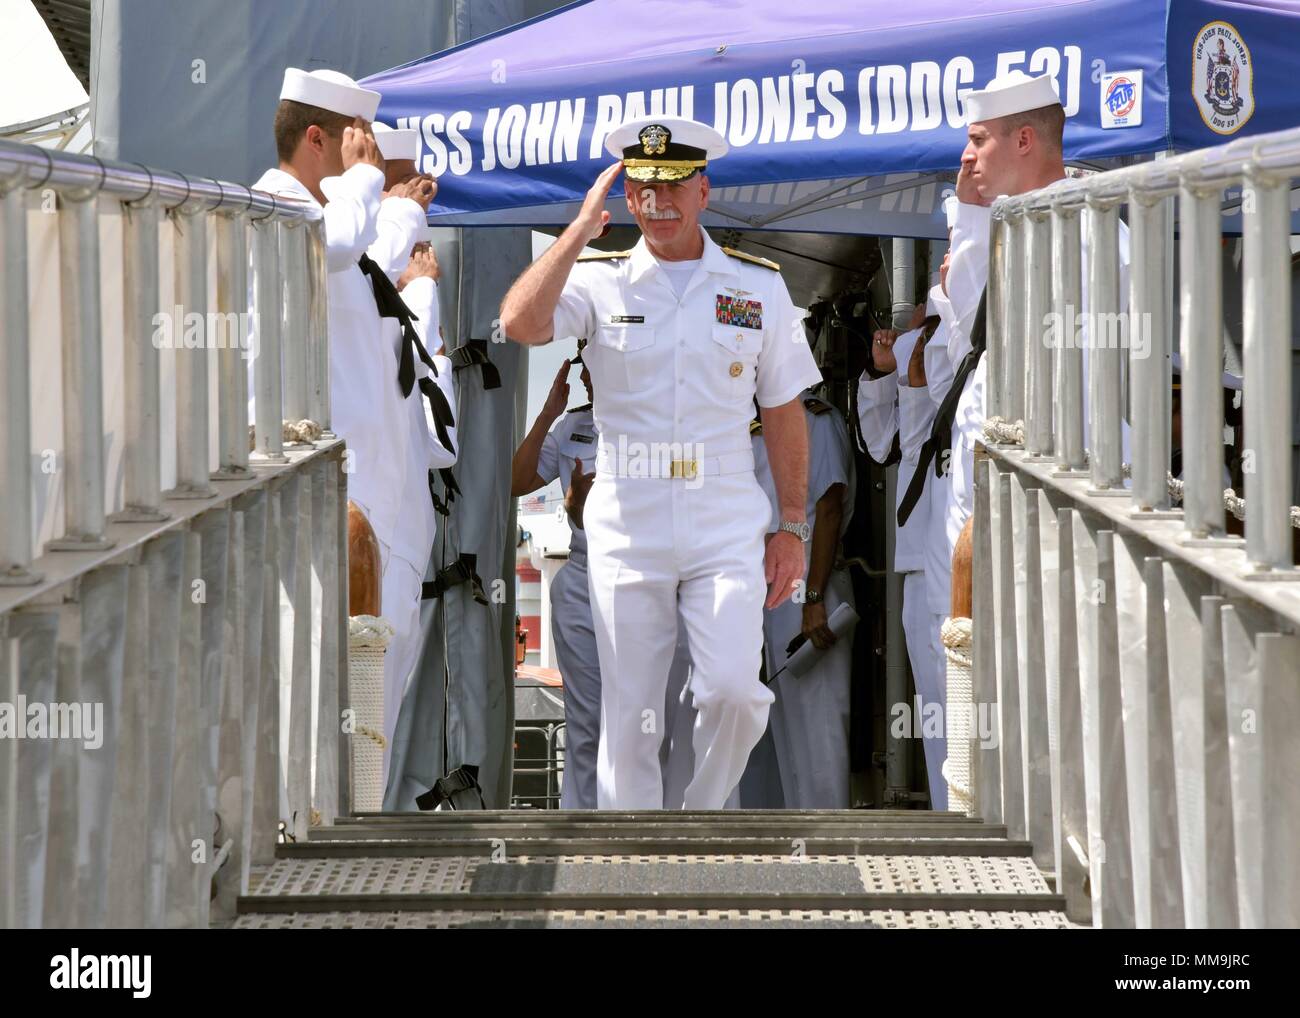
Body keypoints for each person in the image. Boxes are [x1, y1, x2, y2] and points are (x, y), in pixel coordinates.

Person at [499, 115, 822, 809]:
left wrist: (793, 527)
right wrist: (578, 233)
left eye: (672, 187)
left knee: (735, 693)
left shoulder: (757, 287)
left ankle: (696, 827)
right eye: (642, 188)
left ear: (704, 191)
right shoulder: (597, 279)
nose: (656, 203)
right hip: (628, 521)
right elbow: (520, 324)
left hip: (723, 516)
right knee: (629, 722)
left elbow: (786, 409)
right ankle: (629, 877)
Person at [741, 389, 856, 808]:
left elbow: (829, 505)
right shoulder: (747, 420)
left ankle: (829, 852)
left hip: (808, 584)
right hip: (763, 591)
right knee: (774, 737)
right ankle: (789, 859)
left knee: (817, 735)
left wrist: (813, 598)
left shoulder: (817, 418)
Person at [857, 304, 949, 808]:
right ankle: (950, 813)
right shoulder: (918, 396)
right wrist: (884, 371)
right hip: (920, 564)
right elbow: (879, 444)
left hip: (969, 561)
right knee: (936, 709)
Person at [511, 351, 602, 808]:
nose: (584, 372)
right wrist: (548, 412)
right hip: (584, 577)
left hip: (650, 581)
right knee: (586, 723)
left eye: (592, 359)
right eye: (582, 359)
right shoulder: (571, 426)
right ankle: (581, 833)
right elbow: (516, 480)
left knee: (648, 721)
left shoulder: (661, 421)